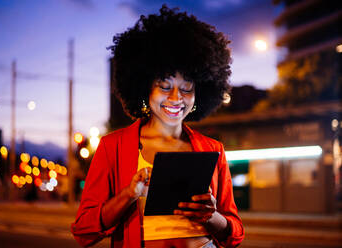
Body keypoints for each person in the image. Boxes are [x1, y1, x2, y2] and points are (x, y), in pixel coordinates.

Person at [71, 5, 244, 248]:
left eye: (186, 88)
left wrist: (211, 216)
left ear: (199, 93)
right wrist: (129, 194)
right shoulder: (113, 147)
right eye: (164, 86)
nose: (176, 98)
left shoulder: (212, 149)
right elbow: (83, 231)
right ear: (145, 88)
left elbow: (234, 234)